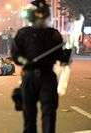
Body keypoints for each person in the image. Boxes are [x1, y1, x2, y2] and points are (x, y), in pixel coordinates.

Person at [11, 0, 72, 133]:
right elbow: (16, 55)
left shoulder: (53, 34)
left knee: (49, 112)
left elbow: (61, 57)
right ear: (33, 16)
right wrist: (25, 61)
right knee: (29, 115)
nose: (41, 17)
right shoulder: (23, 34)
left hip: (47, 77)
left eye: (43, 14)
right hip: (29, 77)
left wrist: (66, 55)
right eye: (38, 14)